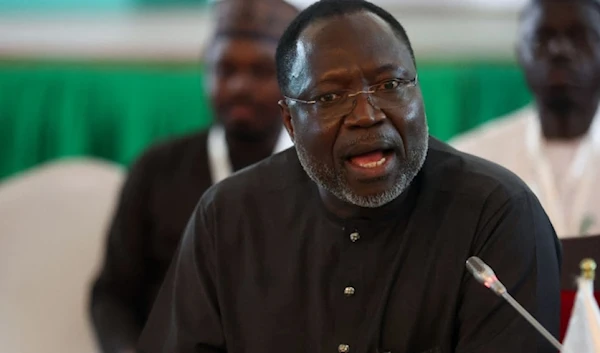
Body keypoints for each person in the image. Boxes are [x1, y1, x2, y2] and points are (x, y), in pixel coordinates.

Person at [138, 1, 562, 352]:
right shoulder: (227, 217)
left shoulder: (497, 215)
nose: (367, 115)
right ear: (289, 121)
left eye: (391, 84)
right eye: (331, 97)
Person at [89, 1, 299, 352]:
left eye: (261, 71)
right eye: (224, 69)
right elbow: (111, 296)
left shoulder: (317, 173)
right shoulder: (157, 169)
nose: (238, 87)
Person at [451, 0, 600, 238]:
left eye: (580, 37)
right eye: (542, 38)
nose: (559, 50)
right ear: (520, 52)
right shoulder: (473, 162)